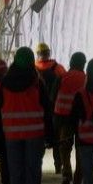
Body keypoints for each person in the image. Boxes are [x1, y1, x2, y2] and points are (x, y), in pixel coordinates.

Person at [0, 47, 55, 184]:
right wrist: (50, 136)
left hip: (12, 137)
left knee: (16, 178)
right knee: (33, 178)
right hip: (34, 137)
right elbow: (47, 111)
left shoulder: (5, 83)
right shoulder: (37, 83)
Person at [53, 51, 87, 184]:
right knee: (81, 149)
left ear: (71, 62)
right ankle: (78, 181)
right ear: (83, 64)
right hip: (80, 119)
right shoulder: (86, 78)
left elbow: (53, 96)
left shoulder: (62, 77)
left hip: (63, 116)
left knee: (64, 147)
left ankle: (66, 174)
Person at [35, 42, 66, 173]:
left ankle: (36, 166)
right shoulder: (58, 68)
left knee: (38, 139)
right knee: (57, 138)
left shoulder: (32, 69)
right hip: (55, 108)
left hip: (38, 109)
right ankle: (58, 165)